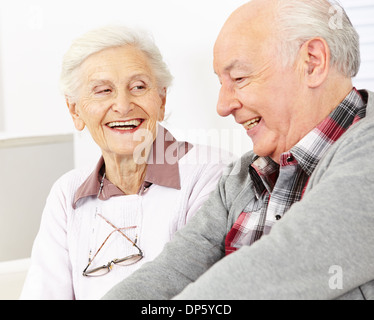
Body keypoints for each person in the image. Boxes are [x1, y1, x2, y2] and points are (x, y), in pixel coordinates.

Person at [102, 0, 374, 300]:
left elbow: (278, 268)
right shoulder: (242, 177)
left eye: (240, 78)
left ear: (312, 62)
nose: (223, 106)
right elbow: (172, 272)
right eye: (221, 83)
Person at [20, 25, 234, 300]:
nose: (122, 105)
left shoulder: (212, 172)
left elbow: (202, 294)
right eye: (103, 90)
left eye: (138, 87)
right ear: (75, 110)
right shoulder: (67, 193)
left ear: (161, 99)